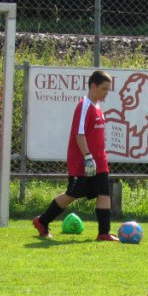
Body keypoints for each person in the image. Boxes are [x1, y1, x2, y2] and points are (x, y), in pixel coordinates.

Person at [32, 69, 119, 241]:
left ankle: (104, 233)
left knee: (104, 193)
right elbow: (79, 134)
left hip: (99, 161)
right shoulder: (84, 106)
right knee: (73, 194)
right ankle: (42, 221)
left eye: (108, 90)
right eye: (103, 89)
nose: (106, 93)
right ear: (93, 86)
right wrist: (87, 157)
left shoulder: (98, 107)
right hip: (83, 161)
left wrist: (97, 158)